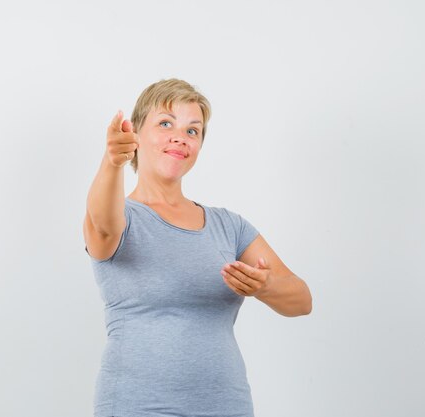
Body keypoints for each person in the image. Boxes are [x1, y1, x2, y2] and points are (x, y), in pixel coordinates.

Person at [83, 78, 312, 417]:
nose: (180, 137)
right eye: (165, 124)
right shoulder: (121, 216)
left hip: (226, 405)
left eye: (193, 130)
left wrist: (266, 286)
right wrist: (112, 161)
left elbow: (302, 301)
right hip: (139, 407)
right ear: (136, 135)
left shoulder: (228, 226)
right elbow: (101, 223)